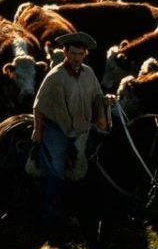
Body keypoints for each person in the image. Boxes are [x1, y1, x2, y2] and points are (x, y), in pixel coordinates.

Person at [31, 32, 110, 222]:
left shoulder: (88, 73)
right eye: (73, 54)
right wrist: (37, 129)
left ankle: (89, 202)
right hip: (58, 126)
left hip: (82, 124)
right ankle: (52, 209)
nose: (76, 58)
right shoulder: (55, 76)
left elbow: (97, 96)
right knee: (56, 165)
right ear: (65, 52)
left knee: (94, 158)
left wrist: (106, 100)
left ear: (85, 55)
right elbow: (39, 104)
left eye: (80, 54)